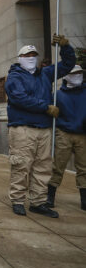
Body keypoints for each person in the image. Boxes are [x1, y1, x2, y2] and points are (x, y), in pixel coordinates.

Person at [5, 38, 75, 218]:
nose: (31, 58)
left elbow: (68, 65)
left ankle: (38, 201)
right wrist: (45, 107)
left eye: (34, 55)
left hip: (44, 128)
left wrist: (65, 47)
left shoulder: (45, 74)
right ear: (20, 58)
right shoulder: (14, 77)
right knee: (21, 165)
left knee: (43, 167)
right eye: (27, 55)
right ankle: (18, 200)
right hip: (23, 128)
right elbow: (19, 98)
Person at [46, 65, 85, 211]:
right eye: (74, 73)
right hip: (64, 133)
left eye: (80, 73)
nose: (78, 75)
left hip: (82, 134)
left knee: (84, 167)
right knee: (58, 166)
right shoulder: (58, 95)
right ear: (67, 76)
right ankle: (50, 196)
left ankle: (84, 199)